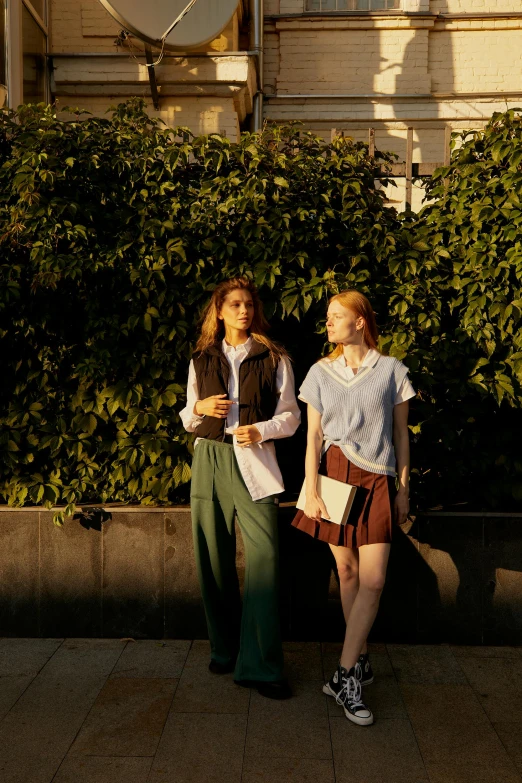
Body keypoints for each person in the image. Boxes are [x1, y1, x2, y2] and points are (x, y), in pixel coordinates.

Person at [292, 290, 415, 725]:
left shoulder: (392, 371)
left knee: (374, 579)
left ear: (360, 321)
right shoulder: (320, 373)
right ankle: (358, 663)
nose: (328, 323)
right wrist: (311, 489)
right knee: (346, 573)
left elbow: (401, 434)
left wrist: (402, 487)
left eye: (337, 316)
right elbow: (312, 439)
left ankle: (344, 675)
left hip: (377, 476)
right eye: (328, 317)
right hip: (334, 477)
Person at [180, 277, 300, 700]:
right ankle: (224, 649)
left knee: (265, 561)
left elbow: (291, 417)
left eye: (248, 304)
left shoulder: (273, 357)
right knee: (213, 558)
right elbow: (188, 417)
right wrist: (198, 408)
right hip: (209, 457)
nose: (243, 311)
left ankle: (263, 667)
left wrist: (259, 429)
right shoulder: (200, 358)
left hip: (256, 461)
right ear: (219, 311)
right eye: (234, 304)